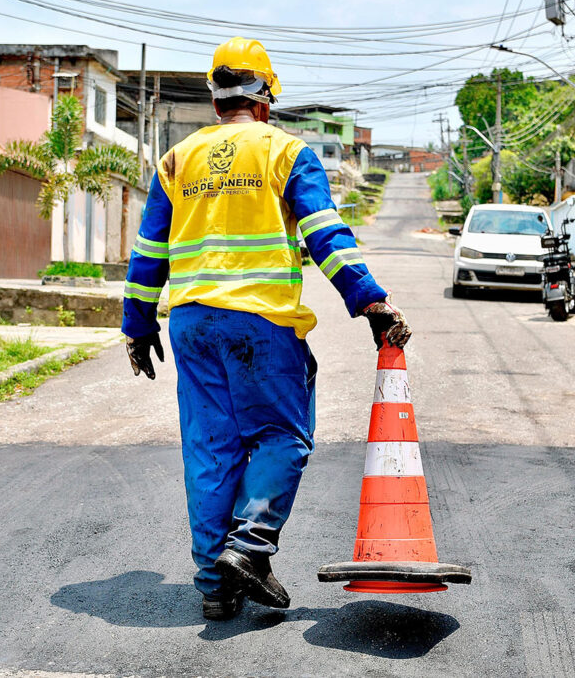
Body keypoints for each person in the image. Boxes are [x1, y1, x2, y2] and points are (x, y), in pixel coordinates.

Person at [121, 37, 411, 621]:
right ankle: (249, 549)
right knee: (281, 437)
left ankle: (215, 583)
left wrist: (137, 324)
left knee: (211, 448)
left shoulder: (177, 160)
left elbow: (150, 250)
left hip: (192, 323)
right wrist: (371, 302)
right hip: (260, 324)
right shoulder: (285, 152)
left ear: (214, 97)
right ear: (266, 98)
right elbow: (326, 236)